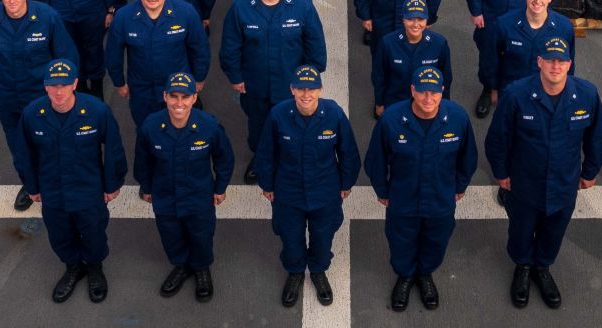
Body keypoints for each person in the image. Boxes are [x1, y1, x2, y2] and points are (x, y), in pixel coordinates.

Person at [485, 37, 602, 310]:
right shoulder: (516, 94)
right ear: (539, 61)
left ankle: (542, 267)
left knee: (554, 230)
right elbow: (498, 138)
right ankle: (523, 266)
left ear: (569, 63)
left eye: (561, 60)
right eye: (550, 60)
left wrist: (589, 172)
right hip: (524, 182)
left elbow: (597, 138)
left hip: (564, 184)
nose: (556, 66)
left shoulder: (587, 95)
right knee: (520, 230)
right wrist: (501, 173)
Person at [17, 59, 127, 304]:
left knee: (94, 233)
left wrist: (112, 184)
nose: (59, 91)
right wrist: (32, 187)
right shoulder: (33, 114)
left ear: (75, 83)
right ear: (45, 86)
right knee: (60, 234)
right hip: (52, 190)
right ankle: (73, 268)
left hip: (88, 189)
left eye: (64, 85)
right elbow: (24, 155)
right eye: (53, 85)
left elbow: (114, 149)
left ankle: (95, 269)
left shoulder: (96, 111)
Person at [367, 67, 477, 312]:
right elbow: (376, 159)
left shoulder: (457, 118)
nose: (429, 99)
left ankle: (425, 274)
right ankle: (405, 276)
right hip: (403, 197)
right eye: (423, 92)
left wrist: (459, 186)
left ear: (442, 92)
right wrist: (382, 190)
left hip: (440, 198)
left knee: (436, 239)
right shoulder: (392, 120)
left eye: (434, 92)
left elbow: (467, 158)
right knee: (400, 240)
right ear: (412, 90)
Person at [0, 0, 79, 211]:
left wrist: (65, 93)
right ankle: (30, 185)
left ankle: (58, 184)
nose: (12, 0)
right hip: (9, 97)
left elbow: (67, 57)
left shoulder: (47, 17)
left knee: (52, 143)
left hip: (43, 98)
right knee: (19, 147)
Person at [255, 66, 360, 309]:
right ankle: (294, 272)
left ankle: (318, 271)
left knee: (323, 237)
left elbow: (348, 153)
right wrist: (267, 184)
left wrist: (346, 183)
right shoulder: (278, 115)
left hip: (325, 191)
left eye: (311, 89)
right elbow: (266, 154)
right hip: (288, 192)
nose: (306, 94)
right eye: (300, 89)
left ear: (320, 90)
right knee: (290, 238)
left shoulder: (333, 114)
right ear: (292, 89)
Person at [223, 0, 329, 180]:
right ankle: (261, 160)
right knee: (258, 125)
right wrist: (235, 77)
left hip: (290, 84)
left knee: (293, 124)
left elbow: (315, 43)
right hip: (255, 84)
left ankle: (291, 161)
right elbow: (230, 46)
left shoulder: (301, 4)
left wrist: (310, 80)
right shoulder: (241, 6)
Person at [134, 72, 234, 302]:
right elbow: (143, 161)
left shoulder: (209, 126)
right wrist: (147, 188)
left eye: (185, 97)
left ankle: (201, 268)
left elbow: (224, 158)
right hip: (164, 194)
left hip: (198, 195)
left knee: (201, 234)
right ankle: (181, 265)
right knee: (171, 234)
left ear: (194, 97)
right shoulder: (151, 126)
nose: (179, 103)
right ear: (165, 96)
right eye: (174, 96)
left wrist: (220, 188)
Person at [105, 0, 210, 128]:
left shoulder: (186, 13)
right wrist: (119, 82)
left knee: (180, 129)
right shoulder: (123, 17)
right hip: (141, 90)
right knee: (146, 130)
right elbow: (113, 54)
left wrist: (199, 78)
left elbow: (200, 49)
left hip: (178, 89)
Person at [375, 0, 454, 115]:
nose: (416, 24)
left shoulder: (439, 44)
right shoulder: (388, 43)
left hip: (426, 104)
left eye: (421, 19)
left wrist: (444, 105)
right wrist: (379, 103)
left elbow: (446, 79)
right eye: (410, 19)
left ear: (427, 20)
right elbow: (379, 76)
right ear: (403, 20)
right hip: (396, 102)